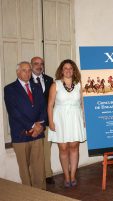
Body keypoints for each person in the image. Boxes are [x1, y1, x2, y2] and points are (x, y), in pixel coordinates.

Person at [4, 61, 46, 189]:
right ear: (18, 72)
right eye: (24, 70)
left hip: (37, 134)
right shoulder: (10, 89)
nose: (27, 73)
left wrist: (39, 125)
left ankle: (41, 193)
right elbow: (14, 112)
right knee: (24, 169)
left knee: (39, 167)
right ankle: (28, 195)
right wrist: (32, 126)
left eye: (29, 70)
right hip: (21, 134)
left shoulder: (37, 87)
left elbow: (43, 108)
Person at [48, 59, 86, 188]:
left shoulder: (79, 85)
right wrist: (51, 122)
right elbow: (50, 105)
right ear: (61, 70)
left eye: (70, 68)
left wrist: (85, 119)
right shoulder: (56, 85)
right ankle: (66, 176)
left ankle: (73, 175)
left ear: (74, 70)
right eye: (65, 68)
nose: (68, 70)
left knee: (74, 147)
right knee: (63, 148)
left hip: (75, 119)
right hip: (60, 119)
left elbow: (83, 103)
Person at [30, 56, 55, 184]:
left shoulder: (49, 80)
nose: (39, 66)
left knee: (46, 148)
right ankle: (36, 175)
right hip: (33, 123)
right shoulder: (26, 80)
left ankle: (47, 174)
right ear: (31, 65)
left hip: (46, 120)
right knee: (35, 151)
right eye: (36, 63)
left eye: (41, 64)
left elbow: (52, 101)